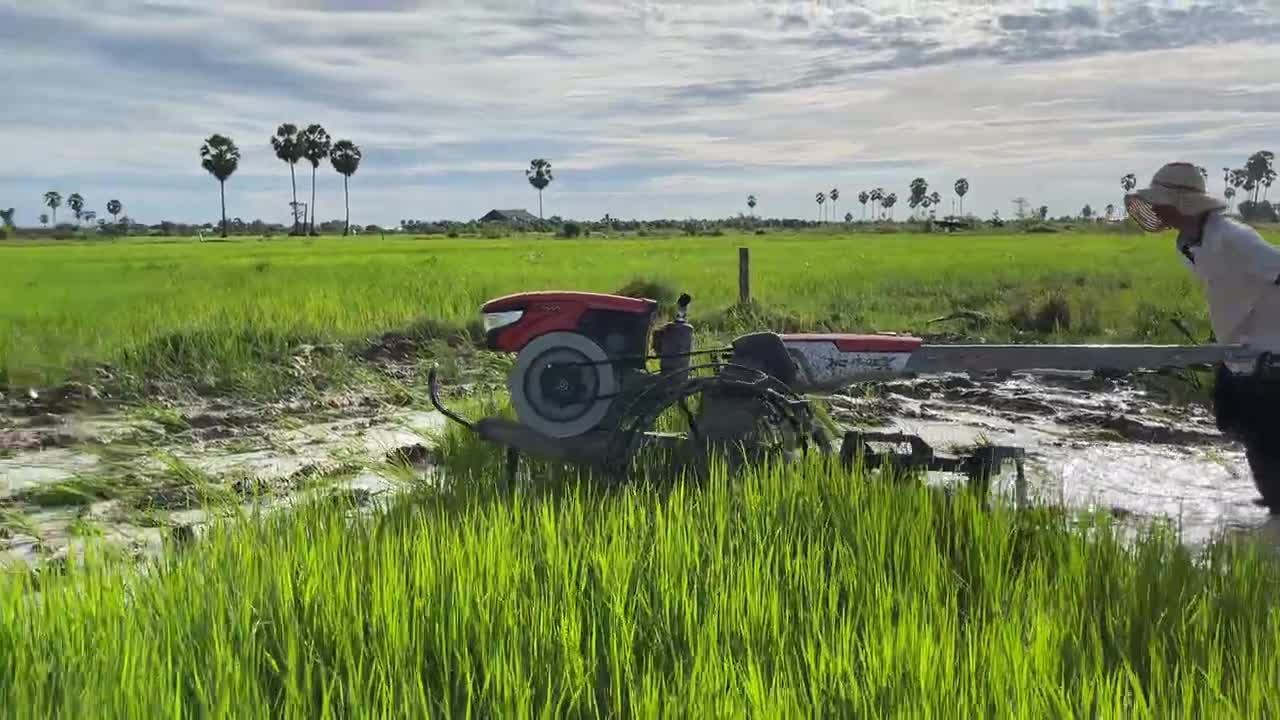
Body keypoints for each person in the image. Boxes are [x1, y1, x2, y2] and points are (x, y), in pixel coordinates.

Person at [1125, 161, 1280, 513]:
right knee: (1232, 416)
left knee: (1266, 429)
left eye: (1159, 200)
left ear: (1180, 203)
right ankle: (1273, 496)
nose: (1154, 208)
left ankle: (1276, 503)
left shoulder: (1233, 238)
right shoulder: (1189, 244)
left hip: (1271, 351)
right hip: (1240, 346)